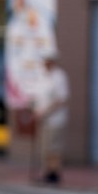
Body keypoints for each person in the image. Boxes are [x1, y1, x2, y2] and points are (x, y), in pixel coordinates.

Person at [33, 50, 69, 184]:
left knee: (53, 147)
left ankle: (54, 173)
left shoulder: (59, 77)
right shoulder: (42, 76)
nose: (45, 63)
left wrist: (45, 112)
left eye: (48, 60)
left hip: (55, 119)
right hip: (43, 119)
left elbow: (61, 99)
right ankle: (46, 172)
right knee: (44, 147)